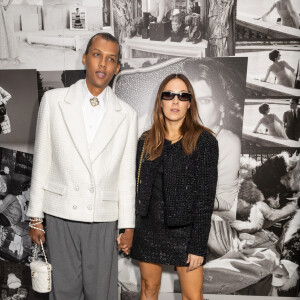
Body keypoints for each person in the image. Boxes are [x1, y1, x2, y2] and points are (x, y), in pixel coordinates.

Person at [27, 32, 137, 300]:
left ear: (117, 67)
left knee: (102, 294)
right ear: (85, 58)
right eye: (97, 55)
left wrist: (128, 225)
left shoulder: (127, 114)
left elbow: (125, 175)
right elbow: (42, 160)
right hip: (60, 212)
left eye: (110, 59)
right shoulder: (54, 101)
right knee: (64, 292)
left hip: (103, 215)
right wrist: (35, 217)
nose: (102, 64)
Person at [129, 74, 219, 300]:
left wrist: (198, 245)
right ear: (161, 101)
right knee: (149, 289)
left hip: (186, 232)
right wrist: (128, 229)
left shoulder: (205, 141)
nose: (175, 101)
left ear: (190, 103)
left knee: (192, 296)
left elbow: (205, 199)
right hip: (149, 229)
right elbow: (135, 190)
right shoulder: (146, 141)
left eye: (182, 96)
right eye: (169, 95)